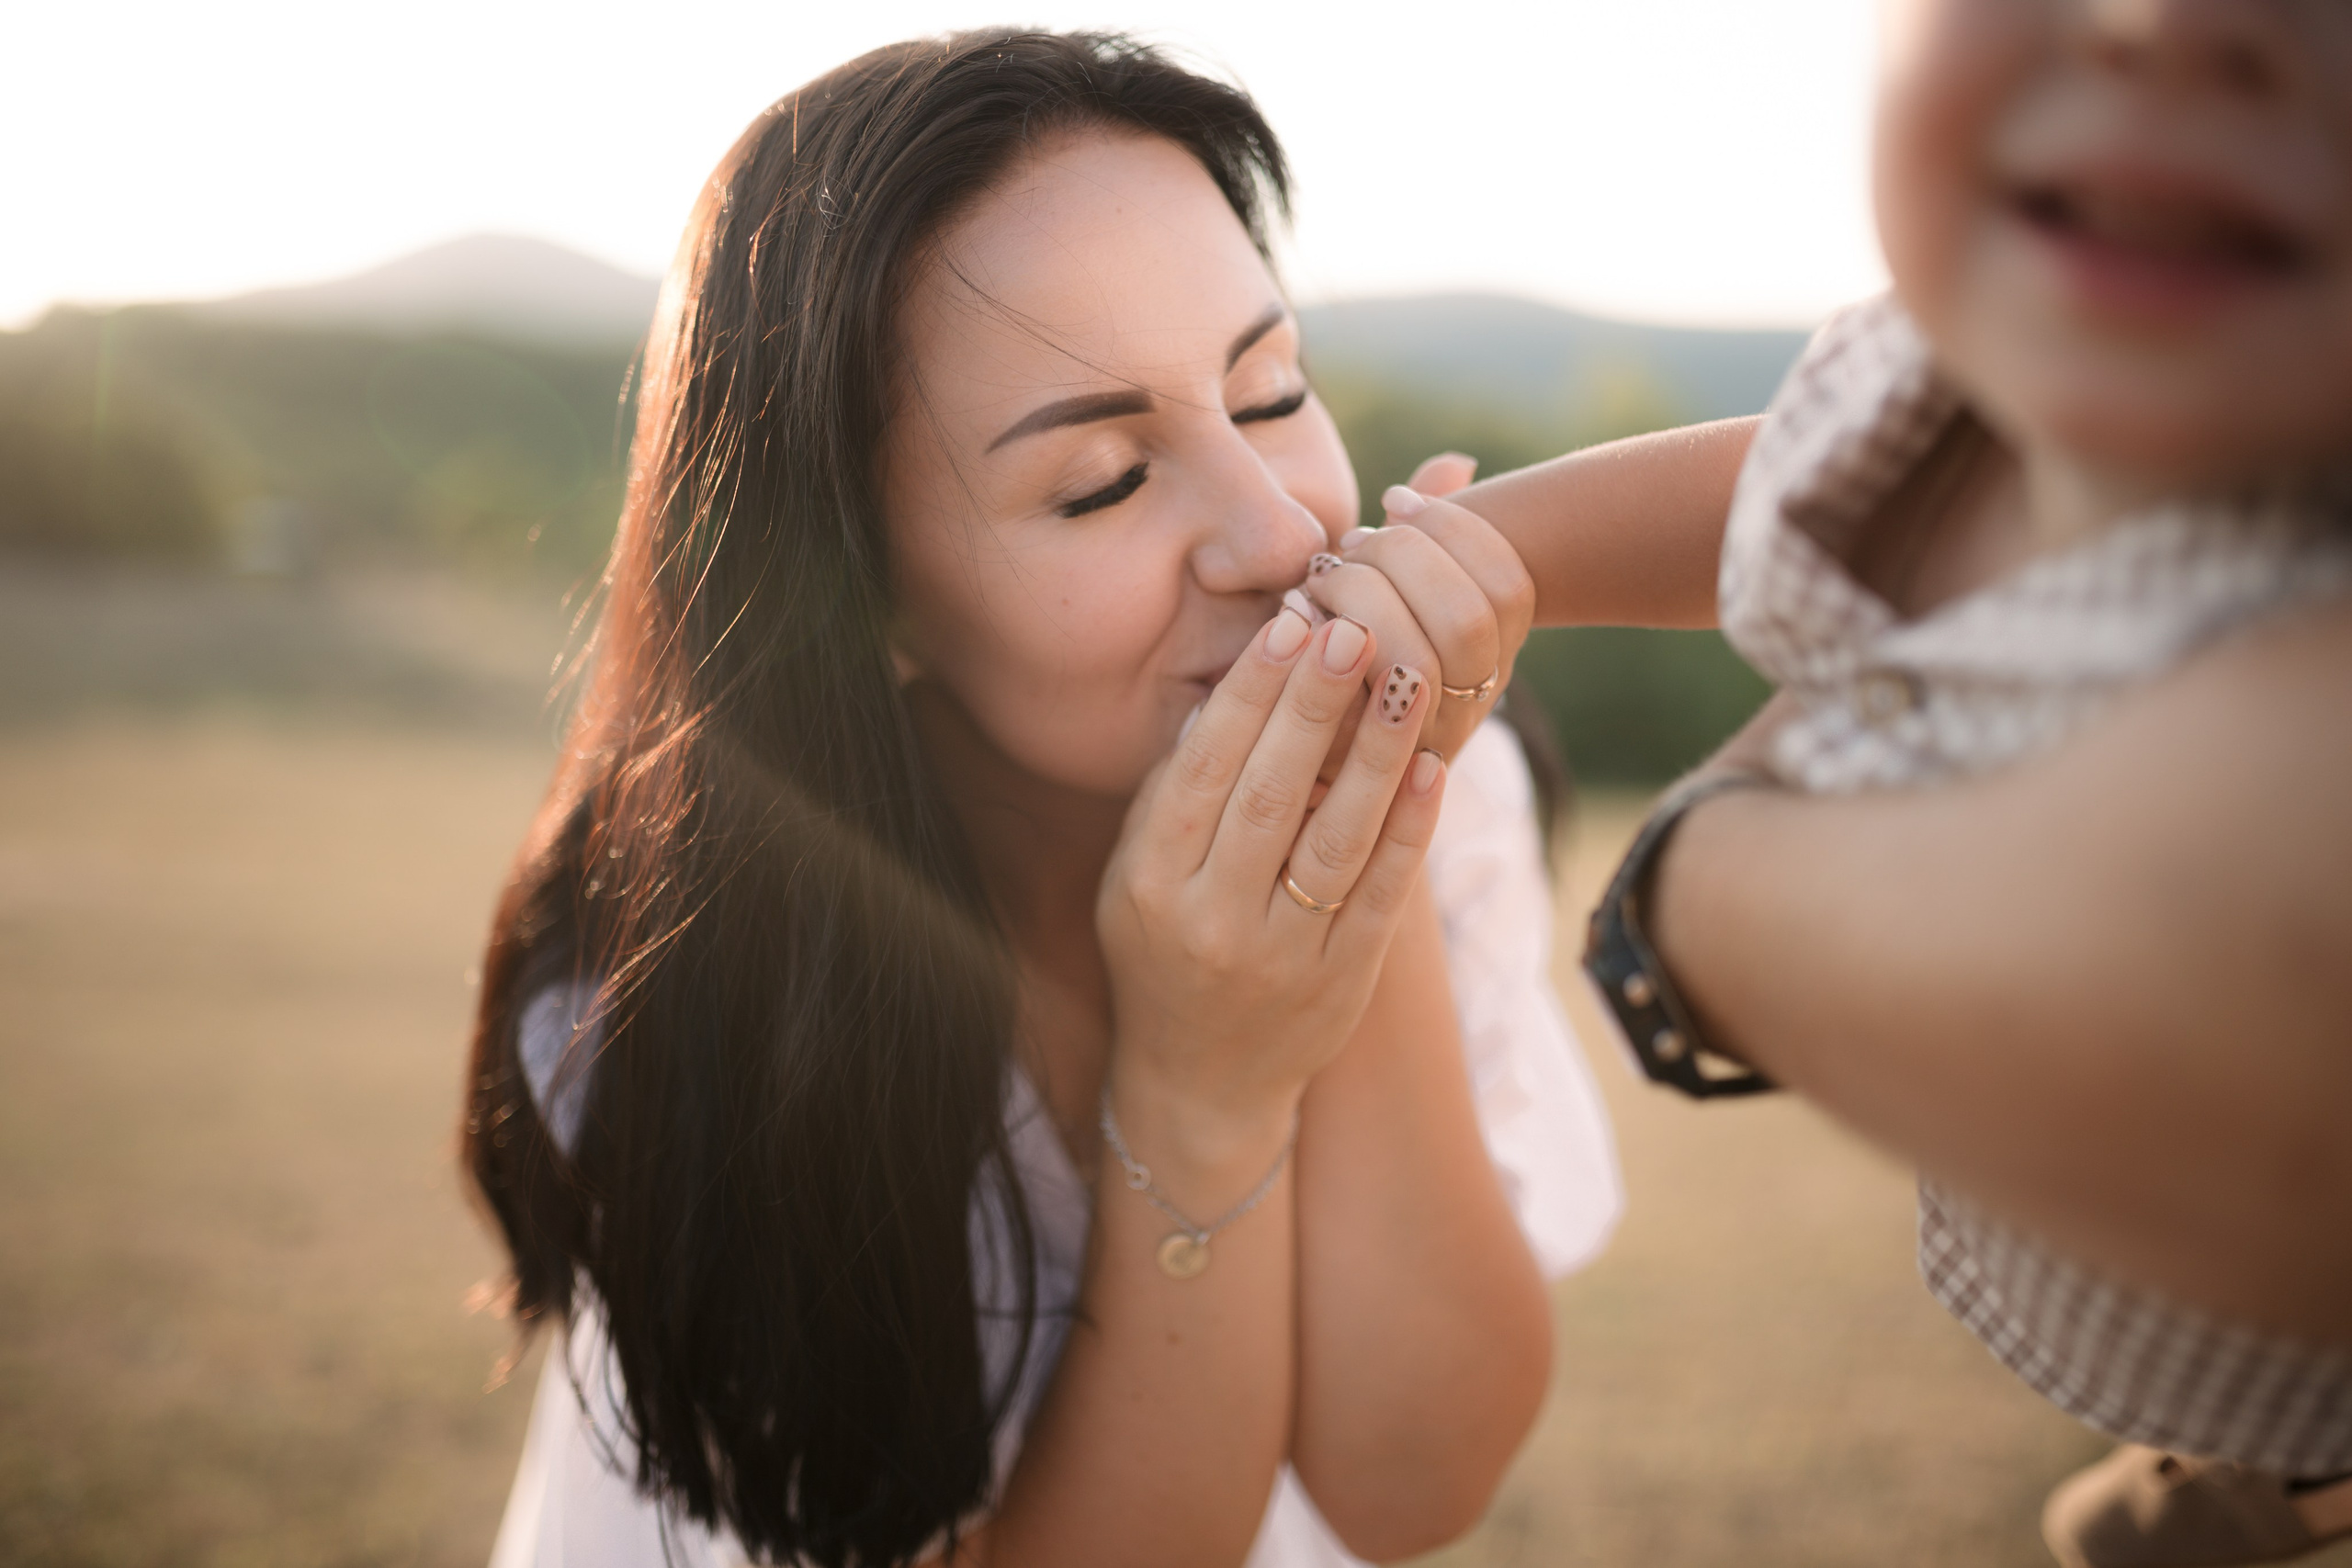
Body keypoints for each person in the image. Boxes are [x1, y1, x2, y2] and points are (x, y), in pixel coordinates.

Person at [462, 31, 1621, 1568]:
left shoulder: (1443, 797)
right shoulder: (675, 985)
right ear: (861, 601)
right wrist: (1202, 1099)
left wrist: (1358, 844)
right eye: (1100, 484)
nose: (1277, 533)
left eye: (1271, 391)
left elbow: (1409, 1485)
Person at [1330, 1, 2352, 1563]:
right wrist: (1457, 562)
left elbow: (2256, 1054)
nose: (2159, 24)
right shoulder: (1964, 379)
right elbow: (1776, 493)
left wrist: (1679, 899)